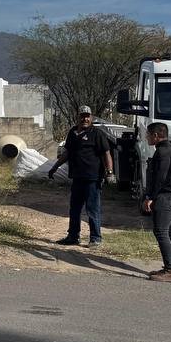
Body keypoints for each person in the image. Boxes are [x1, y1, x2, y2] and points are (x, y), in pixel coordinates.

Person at [48, 105, 114, 247]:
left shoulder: (97, 134)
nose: (85, 118)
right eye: (82, 116)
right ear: (77, 117)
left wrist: (109, 172)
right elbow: (67, 153)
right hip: (77, 178)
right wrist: (55, 167)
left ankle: (95, 238)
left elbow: (106, 153)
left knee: (92, 209)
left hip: (93, 178)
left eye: (87, 116)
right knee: (74, 209)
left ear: (91, 118)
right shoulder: (72, 133)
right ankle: (73, 236)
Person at [142, 122, 171, 282]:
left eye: (148, 134)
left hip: (167, 197)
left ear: (156, 135)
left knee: (161, 231)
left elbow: (161, 177)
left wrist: (150, 197)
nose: (146, 137)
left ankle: (170, 271)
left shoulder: (163, 152)